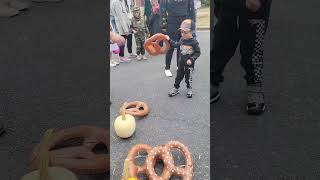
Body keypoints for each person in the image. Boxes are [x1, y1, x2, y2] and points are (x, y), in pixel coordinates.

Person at [211, 0, 272, 115]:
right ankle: (213, 80)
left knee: (253, 47)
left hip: (255, 8)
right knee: (221, 43)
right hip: (226, 5)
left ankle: (254, 85)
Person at [161, 0, 195, 77]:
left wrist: (192, 24)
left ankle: (178, 65)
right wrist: (163, 26)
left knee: (181, 45)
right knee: (170, 46)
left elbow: (192, 9)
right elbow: (163, 10)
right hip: (172, 21)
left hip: (184, 21)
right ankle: (167, 68)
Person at [167, 19, 200, 98]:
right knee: (178, 76)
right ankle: (176, 88)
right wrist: (168, 40)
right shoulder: (182, 39)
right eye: (182, 32)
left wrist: (191, 59)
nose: (183, 34)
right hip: (181, 63)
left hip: (189, 65)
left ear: (192, 31)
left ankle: (189, 89)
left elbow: (198, 53)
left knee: (188, 78)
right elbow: (176, 45)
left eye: (185, 32)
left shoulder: (194, 42)